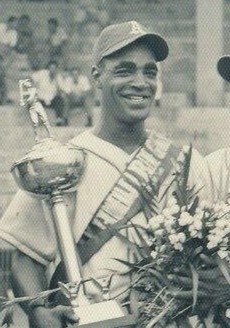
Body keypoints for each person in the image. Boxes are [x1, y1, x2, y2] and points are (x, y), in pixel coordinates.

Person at [0, 21, 227, 328]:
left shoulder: (187, 161)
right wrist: (39, 309)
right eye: (124, 70)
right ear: (97, 75)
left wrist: (222, 283)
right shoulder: (63, 161)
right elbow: (23, 252)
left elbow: (216, 249)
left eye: (150, 71)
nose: (140, 82)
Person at [31, 60, 68, 126]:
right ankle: (37, 120)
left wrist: (57, 83)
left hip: (51, 99)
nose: (52, 71)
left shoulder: (58, 77)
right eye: (51, 68)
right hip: (41, 98)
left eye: (54, 69)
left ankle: (59, 119)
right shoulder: (42, 73)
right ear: (48, 68)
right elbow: (32, 79)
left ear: (56, 69)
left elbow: (63, 89)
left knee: (59, 99)